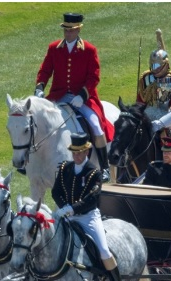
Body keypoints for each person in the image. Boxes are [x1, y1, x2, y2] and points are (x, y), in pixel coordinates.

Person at [35, 12, 115, 182]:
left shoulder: (89, 50)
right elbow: (45, 70)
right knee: (36, 120)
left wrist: (82, 95)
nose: (67, 33)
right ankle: (29, 160)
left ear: (78, 30)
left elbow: (94, 77)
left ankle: (105, 167)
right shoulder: (54, 47)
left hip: (82, 98)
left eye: (71, 31)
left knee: (96, 126)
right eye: (65, 30)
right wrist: (40, 87)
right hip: (58, 95)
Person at [51, 133, 125, 281]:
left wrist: (71, 208)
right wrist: (63, 207)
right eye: (74, 153)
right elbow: (56, 192)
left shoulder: (94, 173)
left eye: (79, 153)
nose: (76, 156)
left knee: (104, 250)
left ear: (86, 152)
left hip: (88, 217)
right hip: (67, 215)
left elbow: (91, 201)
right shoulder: (64, 169)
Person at [136, 29, 171, 140]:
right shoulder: (146, 78)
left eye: (159, 66)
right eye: (153, 66)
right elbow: (140, 102)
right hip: (148, 118)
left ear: (166, 65)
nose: (156, 70)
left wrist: (160, 123)